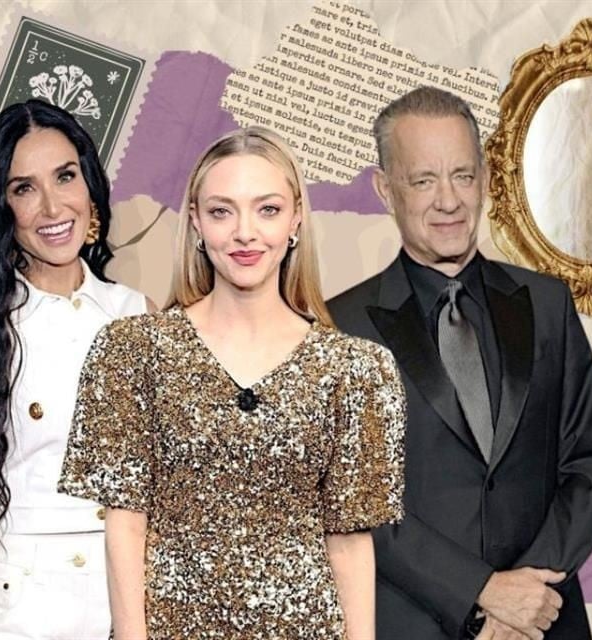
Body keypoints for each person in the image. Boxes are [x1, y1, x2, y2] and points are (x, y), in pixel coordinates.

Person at [58, 126, 406, 640]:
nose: (245, 233)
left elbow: (350, 542)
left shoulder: (356, 370)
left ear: (295, 219)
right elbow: (124, 523)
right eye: (222, 211)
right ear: (196, 222)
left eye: (267, 209)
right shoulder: (133, 351)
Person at [327, 86, 592, 640]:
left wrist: (525, 598)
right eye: (423, 180)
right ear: (385, 189)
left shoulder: (548, 305)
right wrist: (482, 592)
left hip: (544, 621)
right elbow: (358, 502)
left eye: (462, 175)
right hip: (415, 624)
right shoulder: (341, 328)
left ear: (484, 178)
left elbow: (585, 461)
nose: (449, 201)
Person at [0, 99, 152, 640]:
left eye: (65, 176)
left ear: (89, 185)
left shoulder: (137, 314)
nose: (51, 206)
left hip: (131, 605)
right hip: (20, 611)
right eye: (24, 188)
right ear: (2, 207)